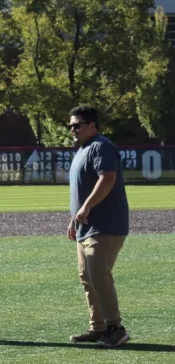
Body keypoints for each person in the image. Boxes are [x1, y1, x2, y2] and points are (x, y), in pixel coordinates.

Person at [67, 105, 130, 348]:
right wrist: (74, 219)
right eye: (71, 125)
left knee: (98, 275)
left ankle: (116, 328)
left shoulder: (101, 146)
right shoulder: (82, 149)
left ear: (92, 125)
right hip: (86, 226)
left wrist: (87, 207)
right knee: (87, 277)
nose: (73, 129)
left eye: (78, 125)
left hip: (105, 225)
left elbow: (108, 178)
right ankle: (99, 327)